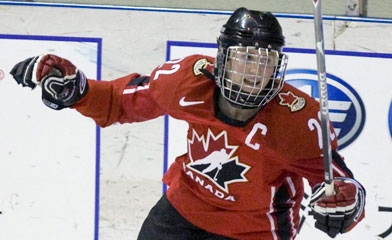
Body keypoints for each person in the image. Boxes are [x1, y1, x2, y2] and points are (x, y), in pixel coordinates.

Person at [10, 7, 365, 240]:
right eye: (245, 59)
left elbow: (339, 182)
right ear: (222, 57)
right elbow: (119, 102)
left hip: (256, 230)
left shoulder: (298, 119)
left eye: (265, 62)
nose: (254, 73)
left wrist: (346, 202)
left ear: (278, 67)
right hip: (182, 211)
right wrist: (76, 90)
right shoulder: (186, 81)